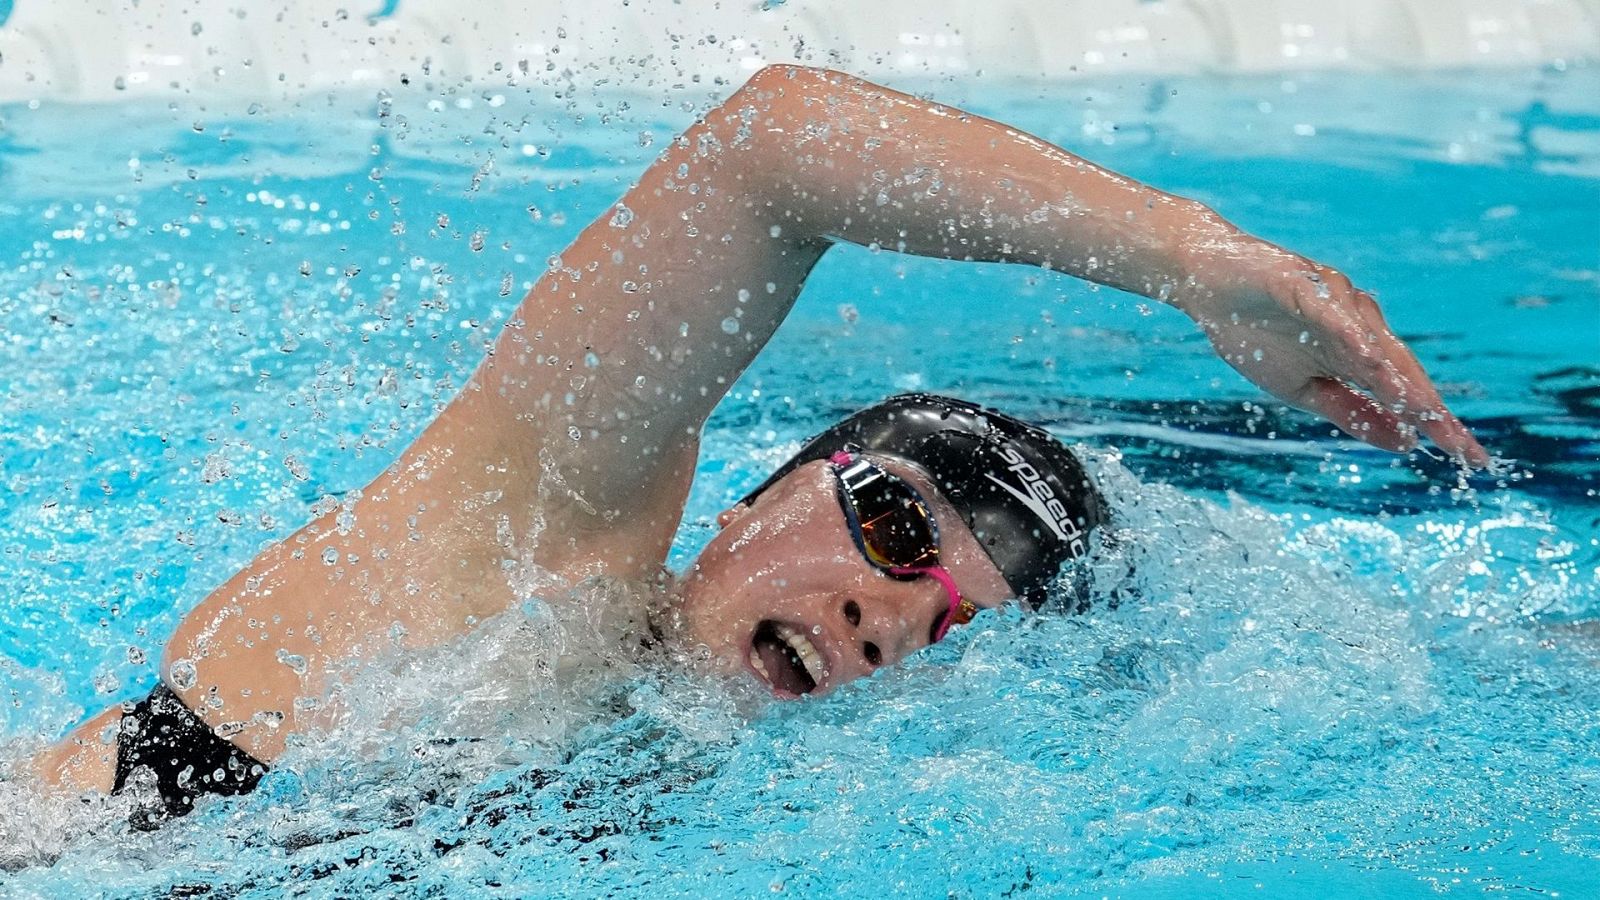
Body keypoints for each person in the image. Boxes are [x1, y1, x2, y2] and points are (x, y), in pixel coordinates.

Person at [30, 64, 1487, 822]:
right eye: (897, 529)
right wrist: (1186, 255)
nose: (887, 620)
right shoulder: (533, 542)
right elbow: (775, 148)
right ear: (762, 493)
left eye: (952, 629)